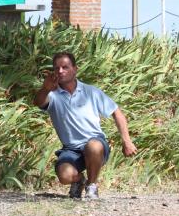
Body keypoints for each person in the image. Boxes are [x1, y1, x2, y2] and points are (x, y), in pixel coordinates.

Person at [33, 52, 137, 199]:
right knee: (65, 176)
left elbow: (117, 113)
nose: (60, 71)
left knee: (92, 145)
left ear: (75, 69)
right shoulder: (52, 94)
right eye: (56, 68)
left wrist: (127, 141)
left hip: (96, 144)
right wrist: (45, 88)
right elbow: (38, 102)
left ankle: (92, 185)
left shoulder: (91, 92)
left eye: (65, 67)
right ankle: (80, 181)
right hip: (71, 149)